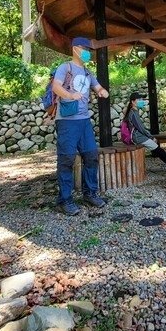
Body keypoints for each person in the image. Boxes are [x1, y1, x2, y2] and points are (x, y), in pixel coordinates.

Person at [52, 37, 109, 216]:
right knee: (67, 159)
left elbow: (98, 87)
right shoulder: (65, 68)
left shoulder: (87, 72)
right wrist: (70, 95)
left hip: (84, 121)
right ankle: (65, 200)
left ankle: (90, 193)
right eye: (85, 49)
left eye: (89, 49)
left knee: (91, 156)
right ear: (75, 49)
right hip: (67, 121)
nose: (88, 52)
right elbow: (55, 87)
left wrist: (101, 91)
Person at [123, 92, 166, 173]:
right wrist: (151, 137)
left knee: (159, 151)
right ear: (132, 101)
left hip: (139, 136)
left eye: (142, 99)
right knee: (160, 151)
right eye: (139, 99)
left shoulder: (133, 111)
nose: (141, 101)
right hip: (137, 137)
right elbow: (141, 128)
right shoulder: (133, 113)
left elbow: (140, 128)